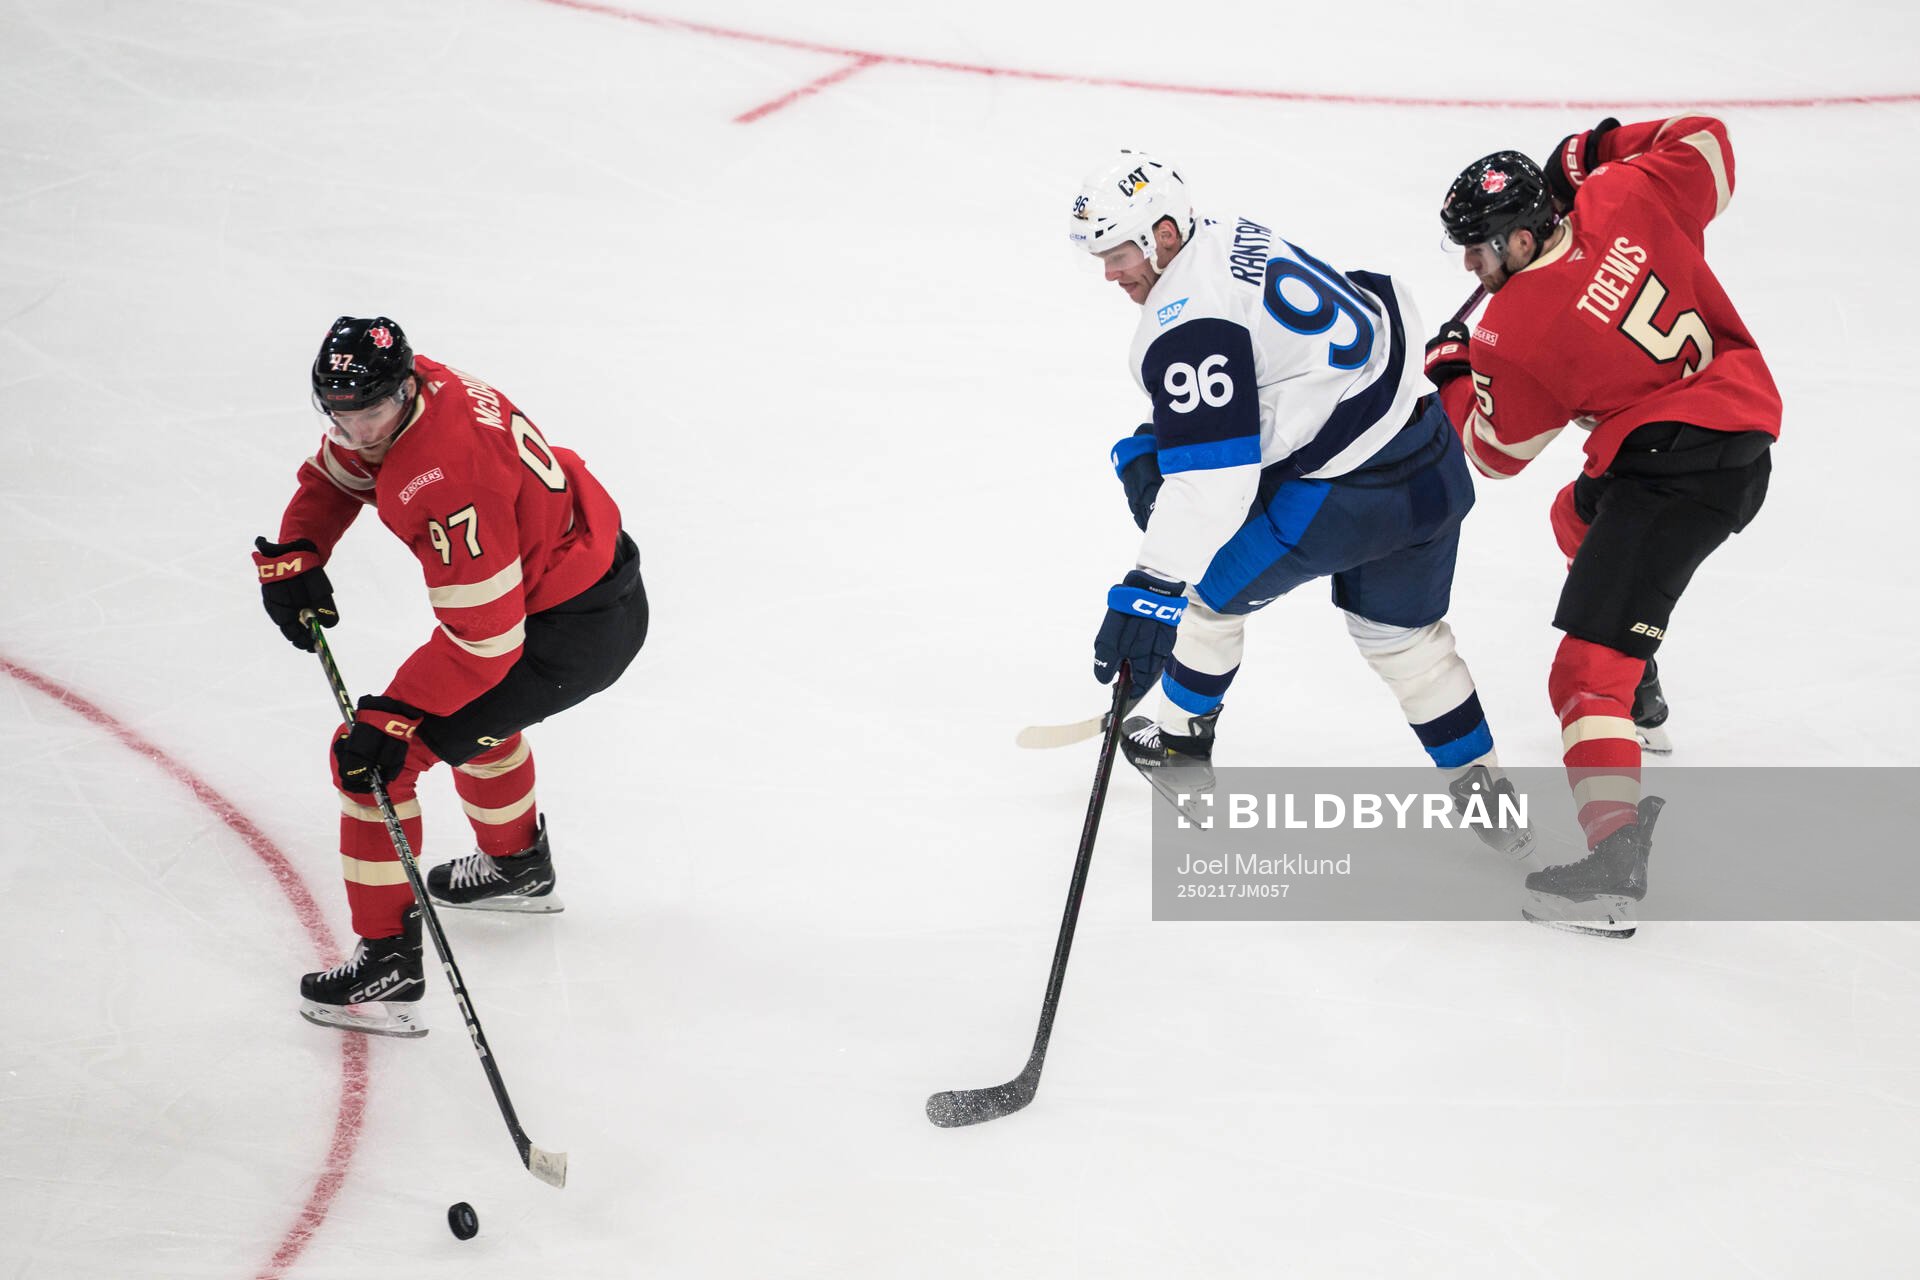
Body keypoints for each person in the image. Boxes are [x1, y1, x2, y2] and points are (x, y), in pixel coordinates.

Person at [1069, 152, 1529, 856]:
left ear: (1163, 234)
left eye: (1118, 252)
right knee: (1406, 642)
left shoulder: (1185, 320)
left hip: (1348, 498)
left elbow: (1215, 485)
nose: (1110, 273)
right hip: (1432, 458)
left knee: (1201, 598)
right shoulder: (1230, 234)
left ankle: (1181, 754)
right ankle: (1491, 802)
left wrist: (1151, 588)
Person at [1426, 116, 1780, 935]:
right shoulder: (1625, 192)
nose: (1471, 267)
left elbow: (1495, 454)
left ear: (1521, 239)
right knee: (1574, 514)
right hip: (1733, 426)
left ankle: (1613, 861)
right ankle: (1640, 679)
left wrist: (1454, 373)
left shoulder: (1513, 332)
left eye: (1478, 250)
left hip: (1673, 478)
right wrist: (1590, 153)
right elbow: (1708, 145)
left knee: (1584, 678)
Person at [253, 317, 647, 1034]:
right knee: (475, 723)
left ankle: (388, 964)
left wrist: (392, 714)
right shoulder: (416, 389)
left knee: (374, 762)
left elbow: (486, 642)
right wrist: (299, 545)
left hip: (567, 630)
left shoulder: (444, 478)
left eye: (368, 414)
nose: (354, 431)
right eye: (338, 414)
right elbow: (341, 472)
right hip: (587, 583)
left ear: (404, 391)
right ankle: (517, 866)